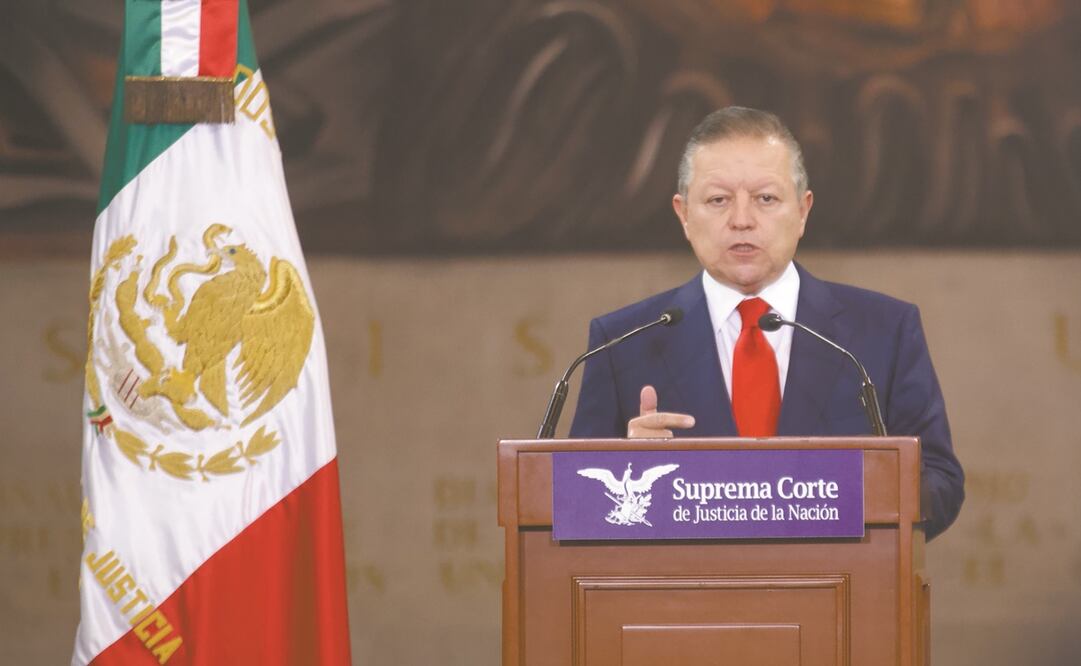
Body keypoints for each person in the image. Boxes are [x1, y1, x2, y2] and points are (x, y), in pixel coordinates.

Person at [568, 106, 964, 539]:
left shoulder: (884, 331)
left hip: (841, 595)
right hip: (684, 601)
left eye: (766, 199)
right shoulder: (621, 342)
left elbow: (940, 480)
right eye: (718, 200)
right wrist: (625, 469)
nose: (742, 219)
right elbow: (572, 504)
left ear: (802, 210)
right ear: (683, 214)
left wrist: (863, 495)